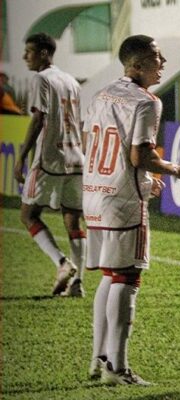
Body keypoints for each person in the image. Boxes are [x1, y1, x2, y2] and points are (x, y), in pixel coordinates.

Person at [83, 34, 180, 385]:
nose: (163, 61)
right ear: (136, 66)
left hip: (94, 192)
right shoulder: (146, 102)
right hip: (122, 199)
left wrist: (141, 177)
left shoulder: (101, 94)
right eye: (156, 57)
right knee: (127, 278)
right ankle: (117, 368)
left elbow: (96, 144)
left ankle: (98, 360)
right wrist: (174, 170)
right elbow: (141, 155)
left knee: (110, 275)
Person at [13, 33, 86, 297]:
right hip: (76, 157)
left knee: (27, 215)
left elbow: (39, 119)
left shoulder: (41, 79)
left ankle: (63, 263)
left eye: (29, 51)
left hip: (48, 160)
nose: (25, 57)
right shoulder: (71, 81)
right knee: (73, 220)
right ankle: (78, 285)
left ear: (44, 53)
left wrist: (22, 155)